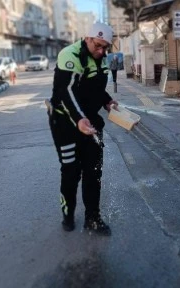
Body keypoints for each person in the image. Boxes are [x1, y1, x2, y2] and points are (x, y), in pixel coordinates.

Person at [47, 22, 118, 236]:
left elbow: (94, 86)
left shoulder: (101, 57)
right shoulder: (69, 55)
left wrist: (107, 100)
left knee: (93, 171)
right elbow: (67, 91)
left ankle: (92, 218)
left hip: (91, 124)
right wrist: (79, 119)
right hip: (65, 124)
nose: (102, 51)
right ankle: (68, 214)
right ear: (87, 38)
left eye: (106, 47)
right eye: (98, 45)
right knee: (70, 172)